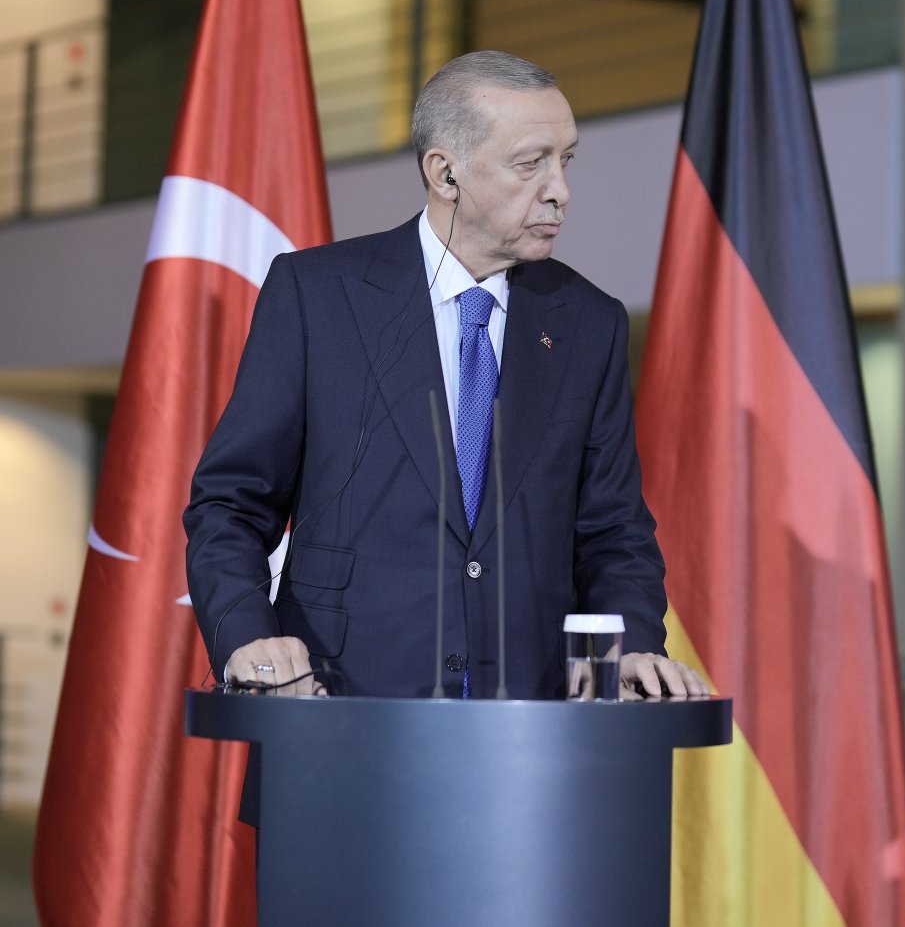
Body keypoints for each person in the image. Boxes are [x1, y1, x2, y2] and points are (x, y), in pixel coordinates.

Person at [185, 51, 706, 714]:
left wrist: (629, 645)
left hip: (532, 731)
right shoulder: (318, 295)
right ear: (445, 172)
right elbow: (231, 502)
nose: (559, 190)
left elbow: (613, 532)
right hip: (337, 711)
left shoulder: (589, 323)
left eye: (565, 161)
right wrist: (248, 637)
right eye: (531, 163)